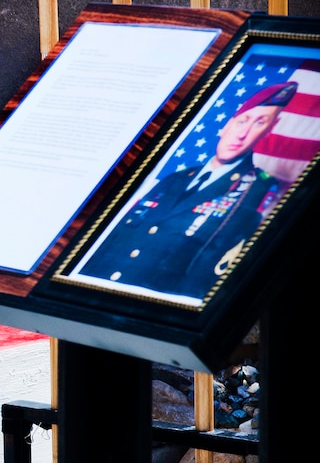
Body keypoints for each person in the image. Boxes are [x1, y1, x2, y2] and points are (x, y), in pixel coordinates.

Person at [78, 80, 297, 299]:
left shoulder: (258, 190)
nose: (243, 134)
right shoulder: (176, 179)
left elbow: (208, 275)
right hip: (94, 290)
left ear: (268, 131)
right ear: (226, 125)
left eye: (260, 123)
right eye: (242, 121)